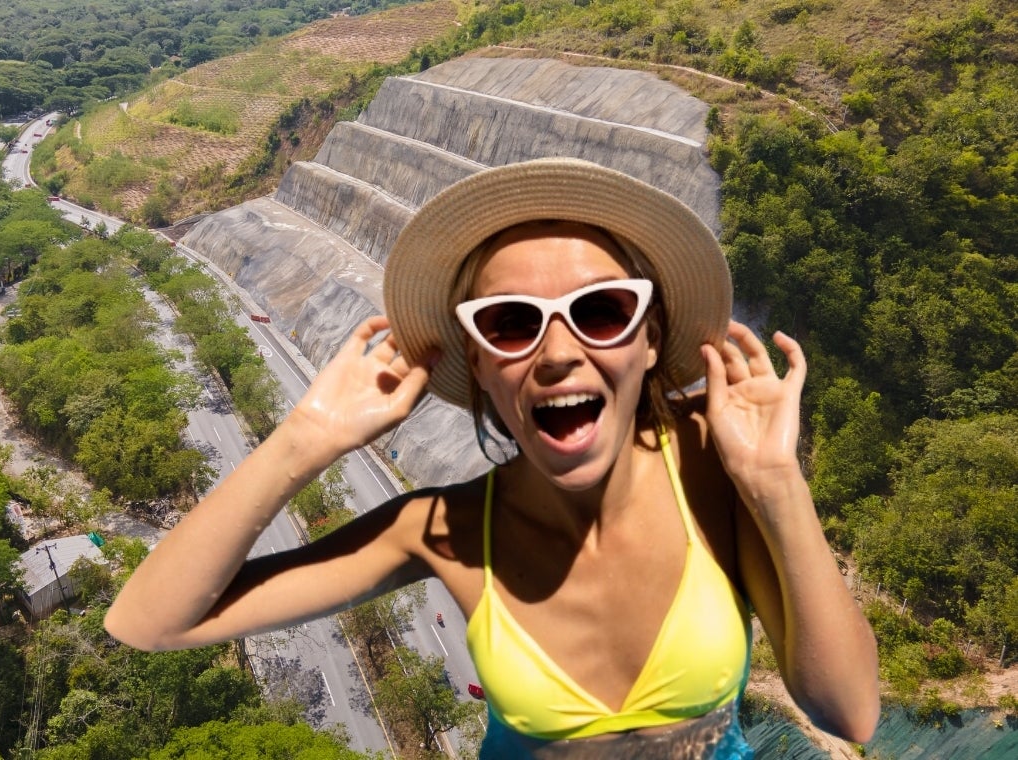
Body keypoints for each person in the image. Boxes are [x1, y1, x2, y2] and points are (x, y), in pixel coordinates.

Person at [105, 157, 879, 757]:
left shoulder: (717, 470)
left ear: (649, 340)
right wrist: (306, 436)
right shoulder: (441, 530)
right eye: (511, 324)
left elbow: (845, 710)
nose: (557, 355)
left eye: (602, 311)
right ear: (477, 361)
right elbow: (151, 623)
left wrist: (776, 482)